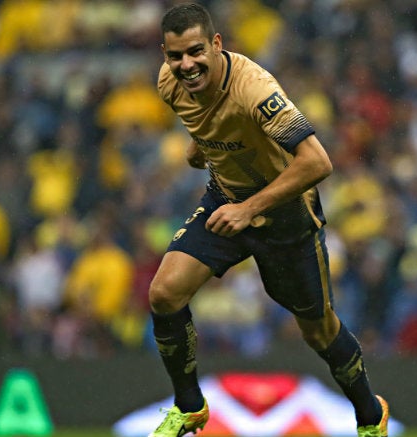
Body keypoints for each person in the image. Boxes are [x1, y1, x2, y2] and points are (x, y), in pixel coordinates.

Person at [146, 3, 389, 437]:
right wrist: (202, 148)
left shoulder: (255, 88)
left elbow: (317, 162)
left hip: (284, 216)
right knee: (164, 293)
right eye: (175, 55)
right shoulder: (169, 84)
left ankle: (371, 415)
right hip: (225, 200)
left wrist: (249, 208)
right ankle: (190, 407)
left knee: (319, 332)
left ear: (217, 45)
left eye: (196, 52)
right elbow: (212, 129)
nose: (186, 65)